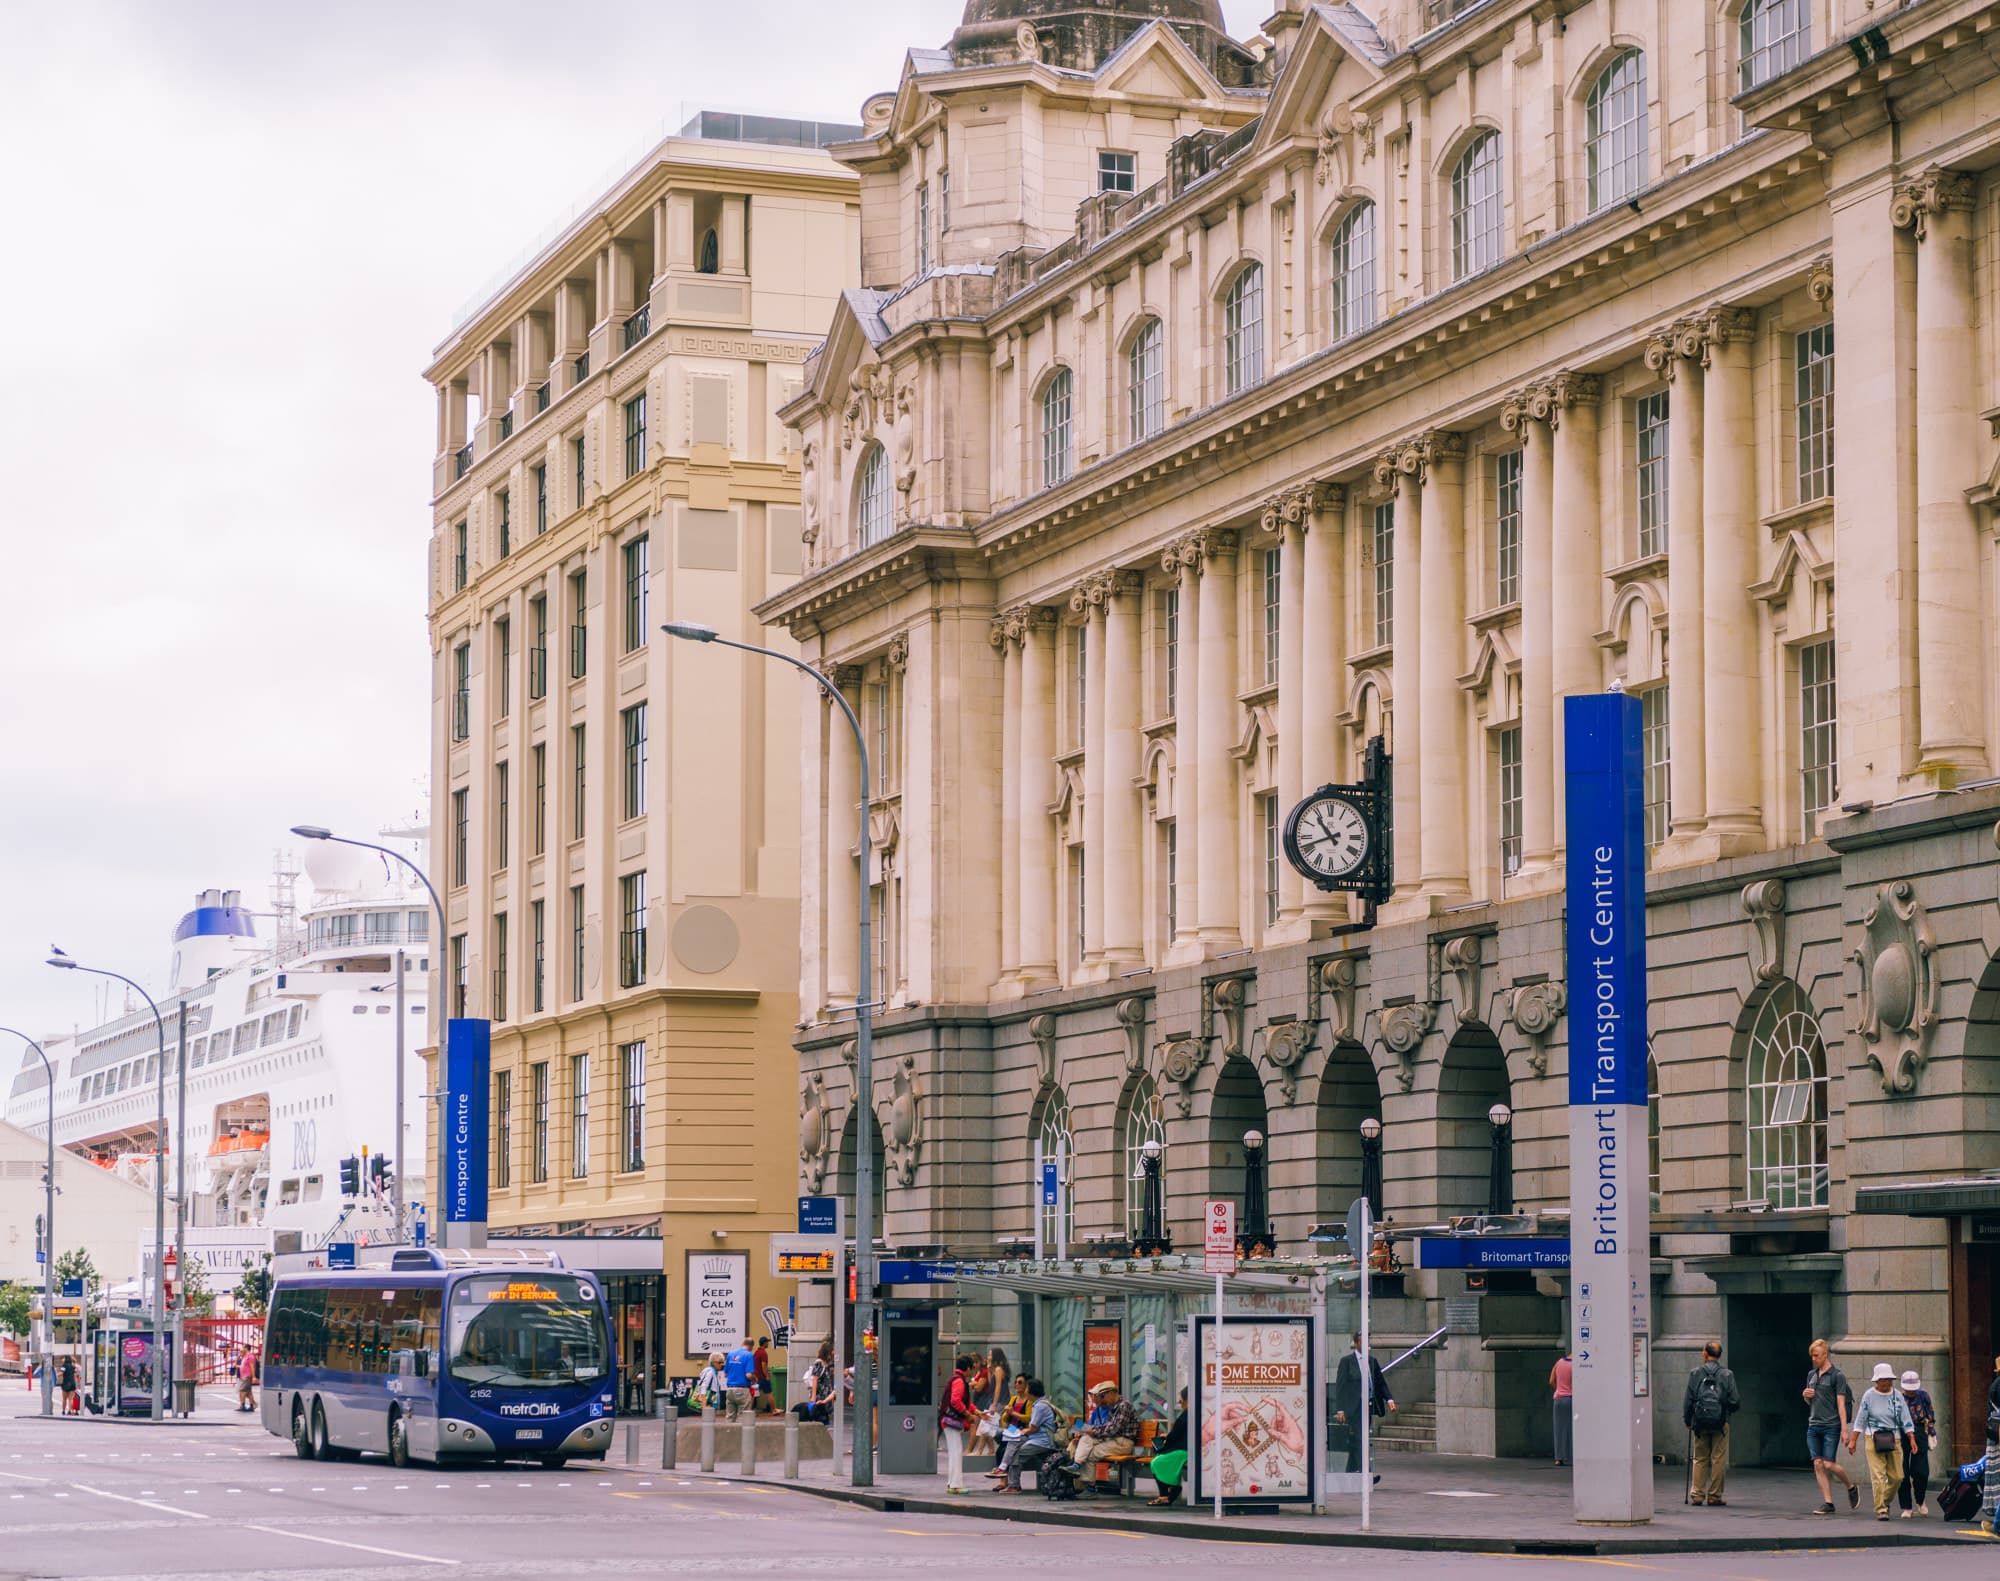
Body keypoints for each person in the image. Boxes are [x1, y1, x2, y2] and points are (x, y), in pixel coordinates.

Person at [1847, 1363, 1918, 1521]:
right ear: (1876, 1381)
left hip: (1895, 1439)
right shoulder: (1869, 1396)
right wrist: (1853, 1440)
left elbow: (1905, 1418)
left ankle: (1884, 1501)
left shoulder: (1897, 1395)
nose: (1887, 1383)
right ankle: (1881, 1510)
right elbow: (1861, 1419)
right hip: (1873, 1438)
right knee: (1878, 1476)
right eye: (1883, 1380)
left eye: (1889, 1380)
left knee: (1898, 1476)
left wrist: (1911, 1437)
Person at [1803, 1338, 1859, 1515]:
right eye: (1812, 1355)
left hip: (1831, 1426)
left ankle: (1850, 1486)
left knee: (1828, 1464)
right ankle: (1828, 1502)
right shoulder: (1812, 1375)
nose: (1814, 1358)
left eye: (1817, 1355)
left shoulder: (1837, 1376)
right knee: (1818, 1464)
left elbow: (1841, 1404)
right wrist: (1805, 1395)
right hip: (1813, 1425)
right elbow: (1810, 1401)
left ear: (1825, 1355)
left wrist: (1844, 1430)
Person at [1682, 1341, 1740, 1506]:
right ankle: (1714, 1496)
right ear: (1719, 1356)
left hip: (1699, 1423)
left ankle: (1697, 1495)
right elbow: (1735, 1400)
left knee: (1699, 1458)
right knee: (1718, 1458)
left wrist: (1688, 1420)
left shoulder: (1695, 1374)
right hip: (1721, 1423)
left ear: (1705, 1354)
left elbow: (1689, 1400)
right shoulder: (1727, 1374)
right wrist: (1725, 1411)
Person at [1333, 1333, 1395, 1479]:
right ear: (1356, 1343)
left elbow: (1380, 1382)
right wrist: (1340, 1409)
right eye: (1363, 1341)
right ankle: (1365, 1474)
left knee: (1360, 1439)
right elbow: (1340, 1386)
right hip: (1354, 1407)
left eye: (1368, 1341)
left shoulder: (1372, 1361)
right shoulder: (1347, 1361)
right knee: (1361, 1438)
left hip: (1368, 1405)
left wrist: (1389, 1399)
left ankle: (1351, 1472)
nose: (1366, 1344)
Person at [1063, 1380, 1139, 1482]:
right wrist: (1081, 1430)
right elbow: (1089, 1426)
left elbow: (1113, 1429)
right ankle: (1076, 1466)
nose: (1093, 1399)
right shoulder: (1100, 1410)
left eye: (1100, 1396)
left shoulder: (1122, 1406)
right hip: (1110, 1439)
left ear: (1111, 1393)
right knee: (1085, 1439)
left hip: (1121, 1441)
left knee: (1089, 1453)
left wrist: (1090, 1430)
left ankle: (1088, 1485)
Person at [998, 1378, 1061, 1494]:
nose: (1025, 1391)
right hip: (1035, 1438)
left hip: (1042, 1441)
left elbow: (1033, 1428)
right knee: (1013, 1440)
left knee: (1016, 1453)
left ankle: (1013, 1484)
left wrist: (1022, 1431)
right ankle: (1003, 1469)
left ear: (1032, 1391)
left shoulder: (1039, 1406)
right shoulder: (1036, 1403)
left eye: (1026, 1388)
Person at [1897, 1369, 1936, 1518]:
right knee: (1902, 1472)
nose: (1911, 1392)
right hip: (1900, 1432)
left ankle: (1920, 1500)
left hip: (1919, 1430)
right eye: (1908, 1389)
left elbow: (1930, 1414)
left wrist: (1931, 1432)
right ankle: (1906, 1506)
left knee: (1921, 1471)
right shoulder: (1898, 1397)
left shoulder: (1923, 1395)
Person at [939, 1353, 978, 1495]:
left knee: (954, 1452)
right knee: (956, 1452)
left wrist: (977, 1412)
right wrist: (968, 1415)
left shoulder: (957, 1379)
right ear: (967, 1368)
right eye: (972, 1368)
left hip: (948, 1421)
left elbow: (964, 1401)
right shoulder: (959, 1381)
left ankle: (952, 1483)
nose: (973, 1371)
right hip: (952, 1421)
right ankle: (955, 1484)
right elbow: (956, 1401)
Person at [986, 1373, 1036, 1480]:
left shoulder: (1029, 1401)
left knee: (1002, 1449)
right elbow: (1004, 1418)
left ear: (1027, 1385)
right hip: (1012, 1429)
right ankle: (1003, 1478)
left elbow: (1028, 1418)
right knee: (998, 1437)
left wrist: (1013, 1413)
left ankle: (1003, 1478)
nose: (1017, 1385)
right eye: (1016, 1382)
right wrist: (1007, 1413)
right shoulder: (1013, 1399)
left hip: (1022, 1430)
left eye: (1020, 1382)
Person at [1147, 1387, 1190, 1506]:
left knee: (1157, 1462)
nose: (1180, 1403)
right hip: (1187, 1449)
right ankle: (1171, 1489)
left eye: (1181, 1400)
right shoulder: (1190, 1414)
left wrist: (1166, 1440)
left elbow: (1175, 1435)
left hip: (1185, 1451)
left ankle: (1167, 1493)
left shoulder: (1187, 1415)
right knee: (1162, 1460)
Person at [971, 1346, 1009, 1456]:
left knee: (986, 1423)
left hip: (999, 1400)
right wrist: (988, 1369)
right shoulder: (995, 1369)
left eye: (990, 1355)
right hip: (995, 1399)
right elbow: (990, 1382)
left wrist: (994, 1404)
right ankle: (990, 1449)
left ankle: (979, 1450)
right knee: (989, 1424)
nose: (988, 1357)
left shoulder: (999, 1369)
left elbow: (998, 1387)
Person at [794, 1341, 836, 1424]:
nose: (834, 1352)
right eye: (833, 1350)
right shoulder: (819, 1363)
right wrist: (813, 1397)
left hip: (826, 1394)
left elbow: (828, 1380)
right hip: (819, 1394)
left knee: (825, 1415)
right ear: (828, 1351)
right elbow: (815, 1379)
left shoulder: (827, 1364)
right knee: (819, 1416)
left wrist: (831, 1391)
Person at [1550, 1350, 1574, 1467]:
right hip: (1570, 1399)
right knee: (1571, 1429)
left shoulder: (1559, 1362)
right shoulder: (1576, 1366)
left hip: (1558, 1400)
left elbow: (1551, 1380)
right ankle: (1571, 1455)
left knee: (1559, 1429)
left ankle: (1558, 1458)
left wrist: (1559, 1389)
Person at [724, 1337, 756, 1421]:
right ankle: (741, 1434)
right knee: (743, 1417)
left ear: (743, 1344)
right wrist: (754, 1379)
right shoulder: (749, 1355)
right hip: (742, 1389)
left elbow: (725, 1374)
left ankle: (728, 1432)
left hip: (730, 1390)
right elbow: (748, 1375)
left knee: (730, 1417)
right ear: (751, 1347)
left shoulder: (730, 1354)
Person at [693, 1349, 726, 1415]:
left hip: (711, 1399)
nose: (722, 1365)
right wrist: (703, 1402)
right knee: (708, 1419)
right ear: (713, 1362)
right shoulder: (710, 1371)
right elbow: (703, 1385)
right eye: (720, 1362)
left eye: (723, 1362)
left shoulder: (714, 1371)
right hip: (708, 1400)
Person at [752, 1337, 774, 1414]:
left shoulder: (756, 1352)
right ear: (764, 1343)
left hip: (756, 1377)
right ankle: (774, 1410)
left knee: (753, 1394)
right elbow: (764, 1366)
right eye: (767, 1342)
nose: (768, 1343)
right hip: (762, 1377)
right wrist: (767, 1376)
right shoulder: (763, 1353)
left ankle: (749, 1411)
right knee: (769, 1393)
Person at [237, 1345, 259, 1414]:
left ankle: (243, 1405)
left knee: (242, 1390)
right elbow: (241, 1365)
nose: (241, 1349)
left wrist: (254, 1377)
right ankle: (252, 1405)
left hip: (247, 1376)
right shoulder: (244, 1356)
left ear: (246, 1348)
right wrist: (238, 1356)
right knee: (248, 1392)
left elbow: (252, 1367)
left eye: (242, 1347)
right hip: (243, 1376)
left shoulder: (250, 1356)